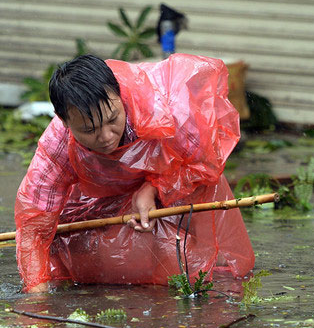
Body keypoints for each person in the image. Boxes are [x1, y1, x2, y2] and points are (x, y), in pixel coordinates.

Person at [14, 53, 255, 292]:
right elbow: (34, 221)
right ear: (64, 121)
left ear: (119, 94)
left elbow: (205, 162)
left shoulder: (164, 104)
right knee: (62, 243)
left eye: (112, 119)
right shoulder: (57, 146)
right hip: (108, 204)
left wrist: (153, 188)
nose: (107, 137)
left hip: (171, 188)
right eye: (90, 130)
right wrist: (38, 294)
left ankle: (217, 265)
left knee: (206, 192)